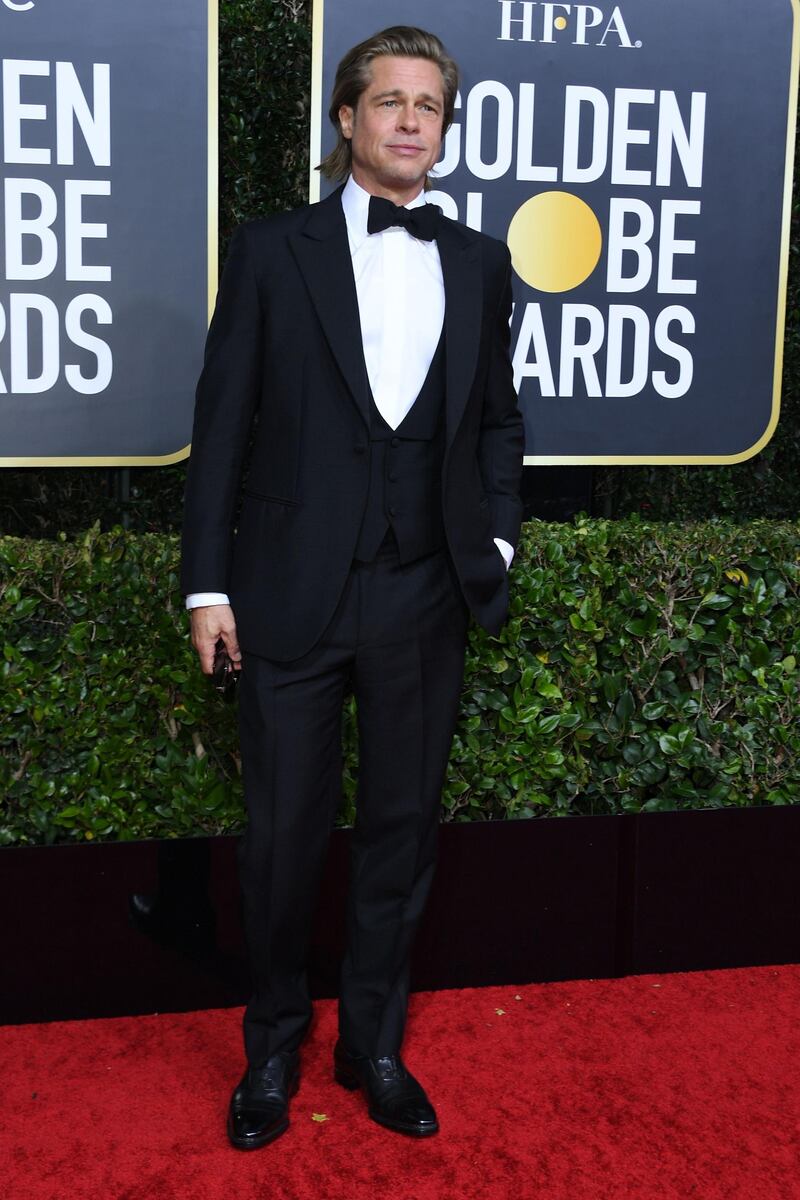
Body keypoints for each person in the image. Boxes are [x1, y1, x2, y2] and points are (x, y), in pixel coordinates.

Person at [180, 25, 524, 1149]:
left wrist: (500, 543)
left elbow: (496, 426)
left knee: (399, 832)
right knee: (281, 841)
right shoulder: (275, 251)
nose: (411, 120)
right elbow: (220, 429)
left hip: (423, 594)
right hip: (287, 593)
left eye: (429, 104)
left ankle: (373, 1043)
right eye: (389, 101)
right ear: (346, 120)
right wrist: (205, 587)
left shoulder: (478, 261)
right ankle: (272, 1048)